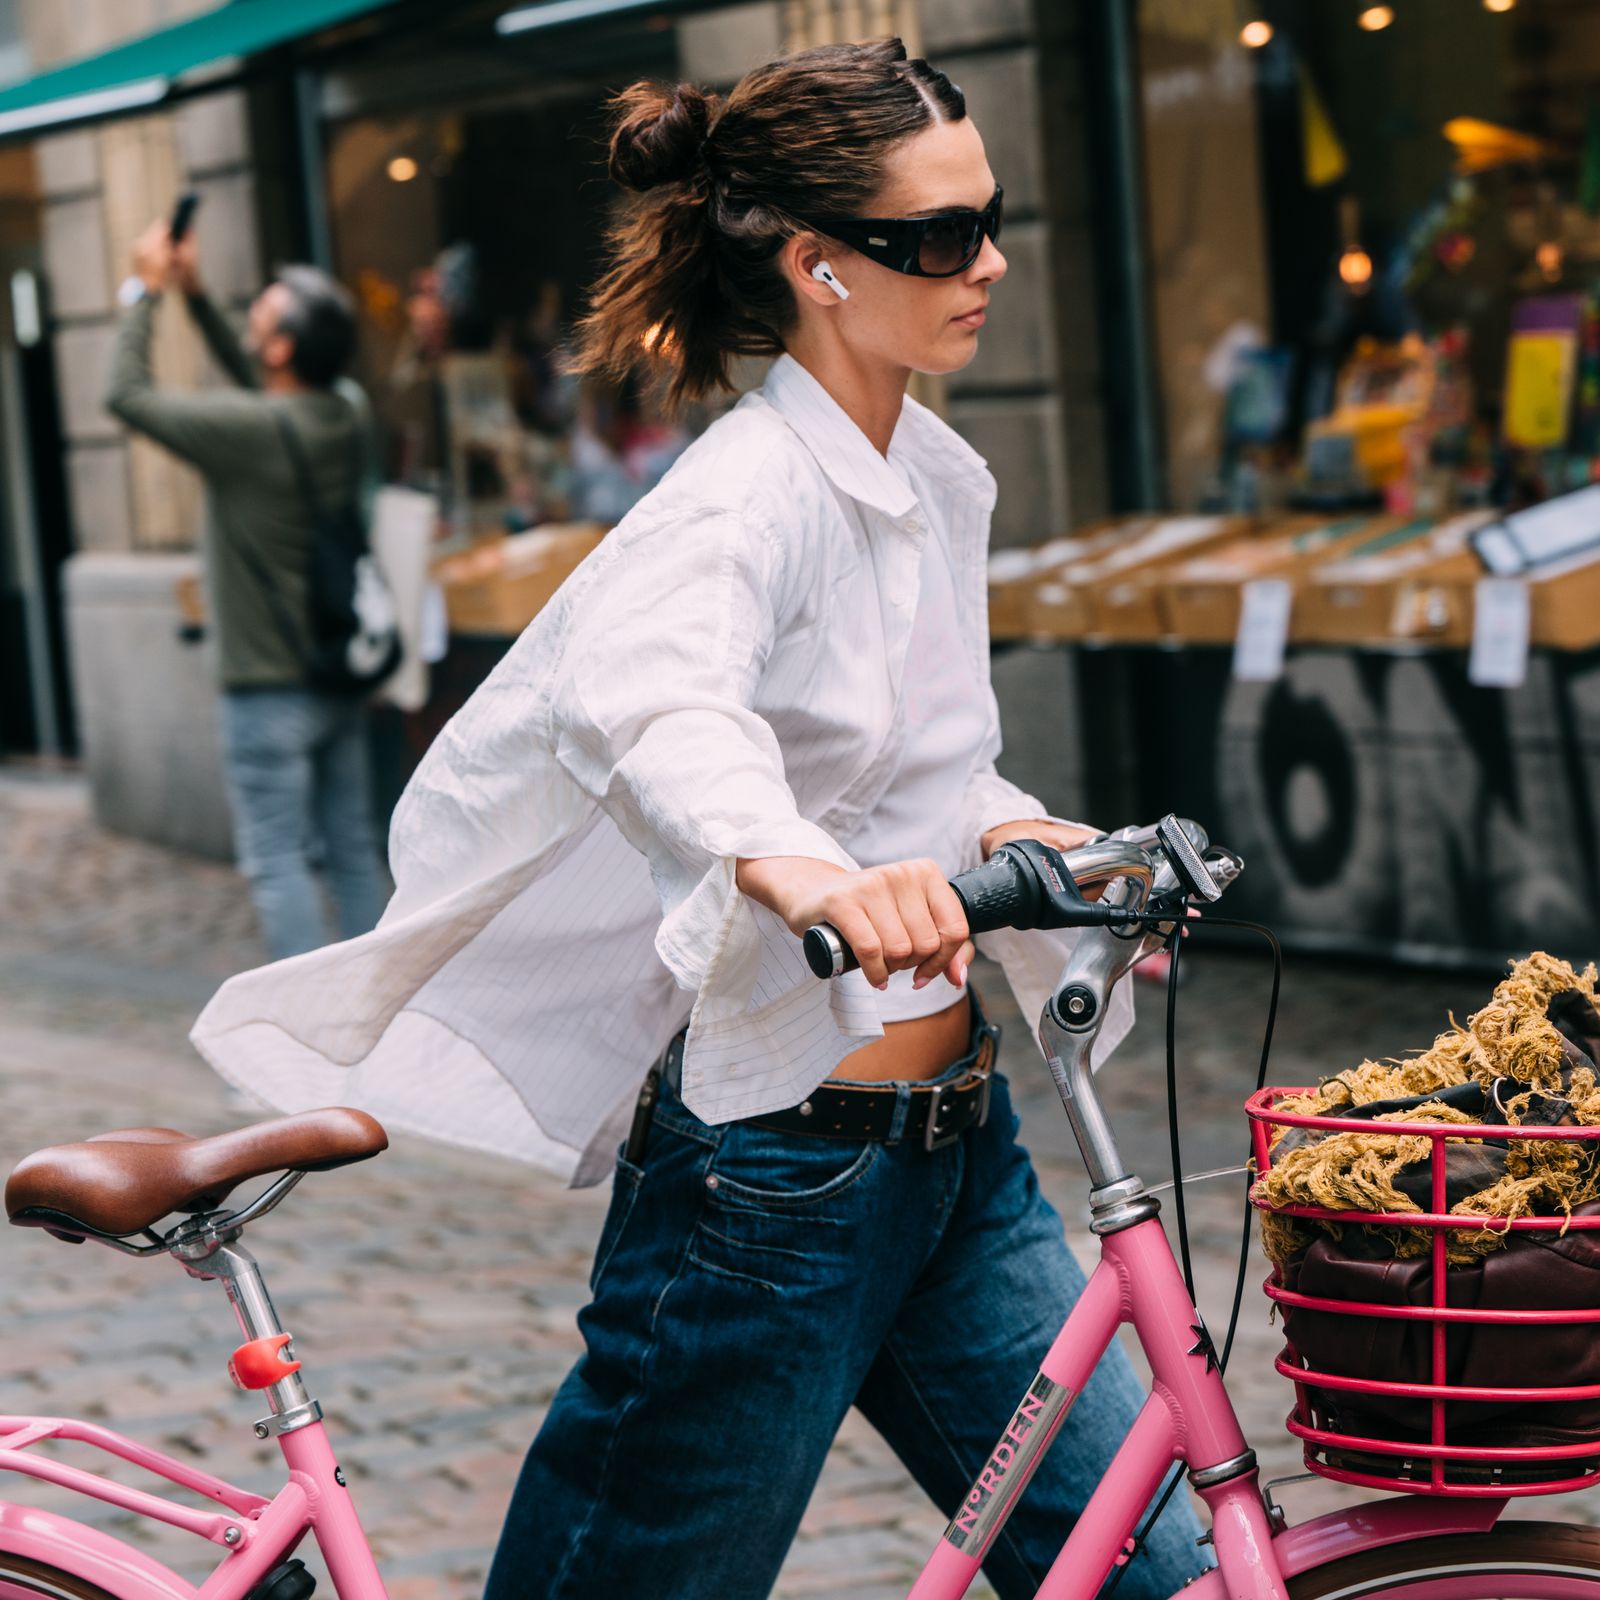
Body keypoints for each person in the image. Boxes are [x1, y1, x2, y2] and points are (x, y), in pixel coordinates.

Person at [190, 39, 1207, 1599]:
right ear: (818, 266)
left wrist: (1059, 855)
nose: (986, 261)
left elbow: (920, 783)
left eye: (989, 220)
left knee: (1163, 1577)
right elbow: (657, 709)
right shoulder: (742, 497)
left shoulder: (933, 472)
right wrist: (800, 868)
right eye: (937, 237)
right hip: (776, 1184)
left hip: (956, 1154)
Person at [105, 226, 389, 961]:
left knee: (277, 862)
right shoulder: (345, 411)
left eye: (265, 307)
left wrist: (145, 292)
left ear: (282, 350)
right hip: (337, 674)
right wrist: (196, 296)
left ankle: (301, 1057)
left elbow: (127, 394)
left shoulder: (254, 432)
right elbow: (260, 381)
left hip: (266, 693)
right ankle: (384, 1028)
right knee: (354, 851)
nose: (255, 309)